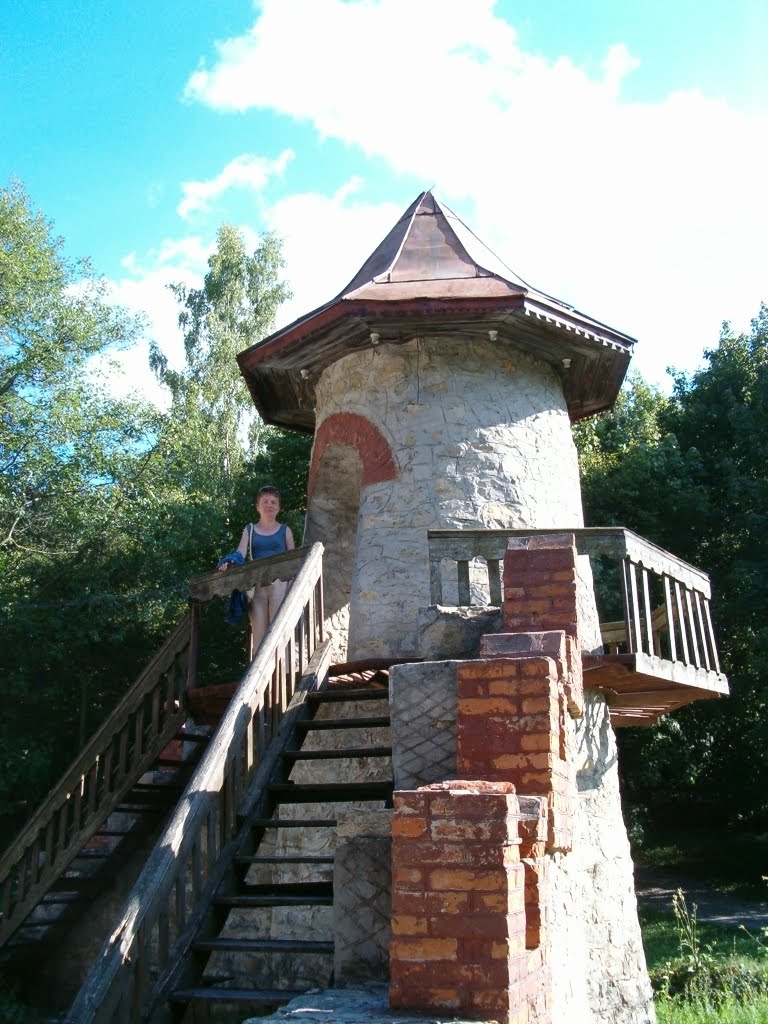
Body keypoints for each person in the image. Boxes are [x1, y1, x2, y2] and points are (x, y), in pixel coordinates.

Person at [219, 485, 295, 654]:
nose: (269, 505)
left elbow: (293, 561)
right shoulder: (250, 529)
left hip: (280, 585)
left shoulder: (285, 530)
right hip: (257, 587)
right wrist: (229, 562)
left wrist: (291, 587)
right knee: (259, 637)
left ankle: (282, 669)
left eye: (273, 502)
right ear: (258, 506)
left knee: (278, 633)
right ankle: (260, 671)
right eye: (265, 501)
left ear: (279, 507)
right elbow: (240, 553)